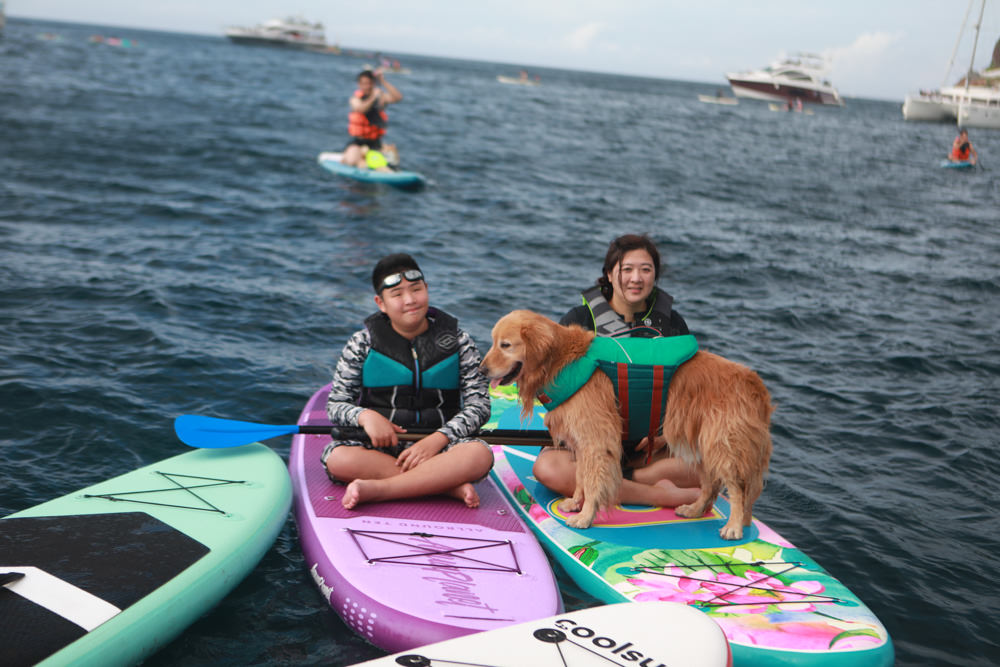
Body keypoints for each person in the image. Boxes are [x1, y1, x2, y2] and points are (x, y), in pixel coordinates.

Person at [535, 234, 701, 510]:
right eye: (627, 269)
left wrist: (666, 433)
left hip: (647, 448)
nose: (636, 278)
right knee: (549, 469)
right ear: (610, 275)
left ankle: (625, 481)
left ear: (655, 276)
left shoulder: (672, 325)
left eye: (646, 270)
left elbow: (690, 392)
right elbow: (554, 389)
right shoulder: (579, 320)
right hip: (586, 447)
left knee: (709, 466)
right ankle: (657, 494)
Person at [323, 254, 494, 509]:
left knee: (480, 455)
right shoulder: (361, 343)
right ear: (381, 303)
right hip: (379, 450)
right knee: (338, 459)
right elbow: (336, 404)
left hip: (441, 448)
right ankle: (445, 486)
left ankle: (380, 489)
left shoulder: (459, 341)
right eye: (397, 294)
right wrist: (365, 417)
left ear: (426, 289)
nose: (410, 300)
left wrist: (439, 438)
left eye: (416, 289)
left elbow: (479, 405)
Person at [340, 68, 402, 169]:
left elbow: (398, 97)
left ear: (373, 84)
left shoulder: (381, 99)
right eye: (363, 83)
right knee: (351, 161)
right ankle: (358, 157)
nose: (366, 86)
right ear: (359, 84)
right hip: (358, 142)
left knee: (390, 161)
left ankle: (368, 158)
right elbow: (360, 109)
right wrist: (373, 96)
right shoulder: (355, 99)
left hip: (375, 142)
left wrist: (383, 81)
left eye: (369, 83)